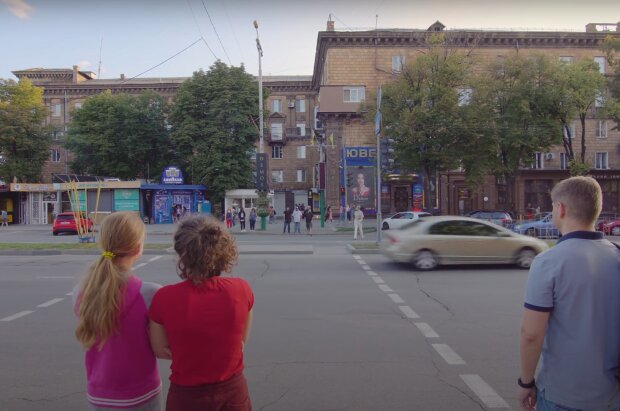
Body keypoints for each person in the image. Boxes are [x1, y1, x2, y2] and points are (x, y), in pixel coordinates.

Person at [518, 176, 620, 411]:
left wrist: (526, 382)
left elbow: (531, 334)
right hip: (612, 395)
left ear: (560, 209)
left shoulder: (548, 261)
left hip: (563, 394)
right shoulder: (616, 256)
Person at [148, 216, 253, 411]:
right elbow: (241, 342)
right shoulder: (241, 289)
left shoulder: (164, 297)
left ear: (182, 254)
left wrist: (189, 354)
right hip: (232, 392)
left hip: (187, 396)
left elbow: (160, 349)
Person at [73, 212, 162, 410]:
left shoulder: (80, 293)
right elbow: (161, 346)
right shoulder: (150, 294)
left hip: (98, 396)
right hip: (142, 395)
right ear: (137, 248)